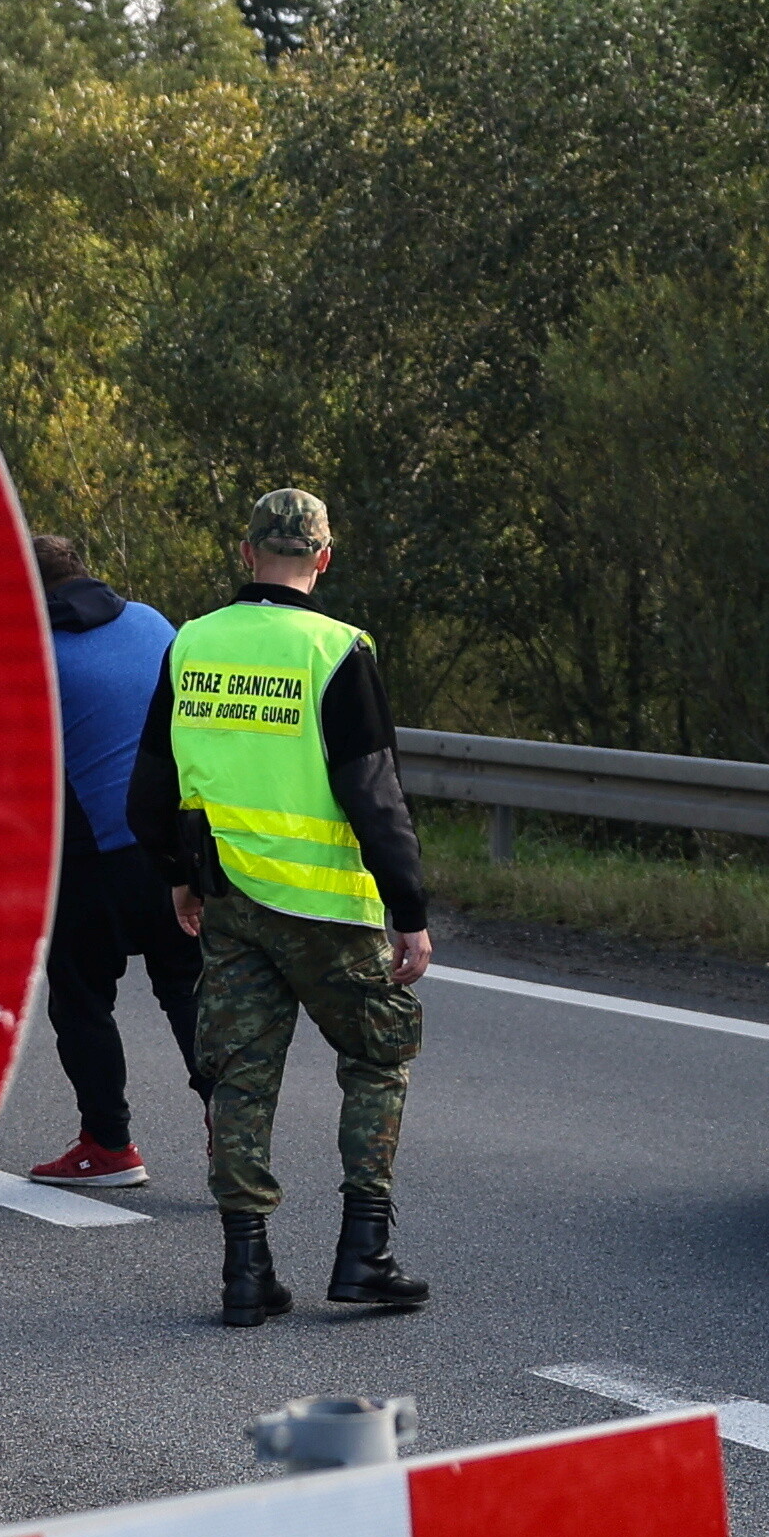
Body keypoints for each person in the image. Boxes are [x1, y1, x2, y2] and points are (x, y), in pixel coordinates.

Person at [126, 486, 438, 1327]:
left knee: (240, 1077)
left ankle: (245, 1269)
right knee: (377, 1058)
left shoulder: (192, 646)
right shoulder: (336, 651)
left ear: (245, 552)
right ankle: (363, 1251)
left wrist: (178, 875)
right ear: (323, 558)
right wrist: (408, 909)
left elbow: (149, 792)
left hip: (230, 904)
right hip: (333, 913)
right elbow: (375, 795)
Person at [21, 532, 200, 1190]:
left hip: (97, 854)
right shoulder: (154, 623)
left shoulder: (32, 655)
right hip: (180, 849)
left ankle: (109, 1145)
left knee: (80, 998)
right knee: (186, 988)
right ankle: (231, 1133)